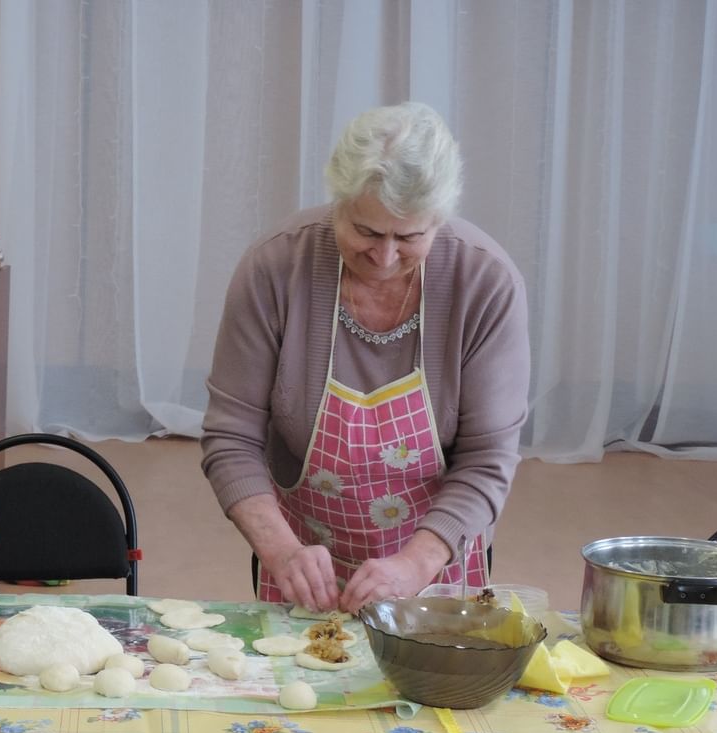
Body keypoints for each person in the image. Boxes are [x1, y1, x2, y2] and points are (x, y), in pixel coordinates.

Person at [201, 102, 529, 614]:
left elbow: (488, 459)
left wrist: (416, 564)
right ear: (338, 200)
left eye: (410, 237)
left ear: (438, 220)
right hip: (301, 557)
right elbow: (231, 438)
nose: (385, 257)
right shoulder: (275, 268)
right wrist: (281, 551)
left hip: (435, 563)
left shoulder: (485, 283)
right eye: (367, 232)